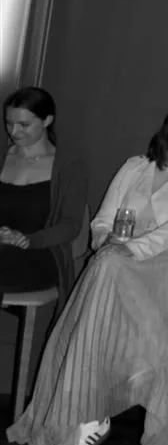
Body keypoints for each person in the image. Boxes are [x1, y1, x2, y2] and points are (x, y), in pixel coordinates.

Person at [9, 101, 168, 445]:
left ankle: (88, 412)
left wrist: (130, 250)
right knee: (107, 263)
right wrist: (108, 242)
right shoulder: (136, 167)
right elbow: (103, 221)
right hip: (122, 264)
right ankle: (87, 411)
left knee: (108, 266)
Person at [0, 86, 86, 303]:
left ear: (47, 120)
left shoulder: (67, 166)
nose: (14, 131)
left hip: (40, 253)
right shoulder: (3, 158)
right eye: (9, 123)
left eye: (24, 125)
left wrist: (29, 240)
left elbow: (70, 226)